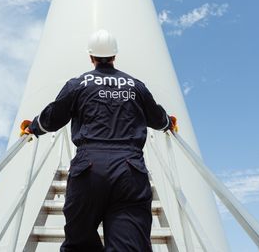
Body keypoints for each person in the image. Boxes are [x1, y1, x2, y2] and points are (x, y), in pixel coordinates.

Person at [20, 29, 178, 252]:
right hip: (129, 170)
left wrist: (33, 127)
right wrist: (168, 124)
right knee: (130, 244)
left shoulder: (78, 84)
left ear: (91, 57)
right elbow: (156, 117)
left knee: (79, 241)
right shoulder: (136, 86)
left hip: (89, 169)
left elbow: (54, 117)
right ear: (115, 56)